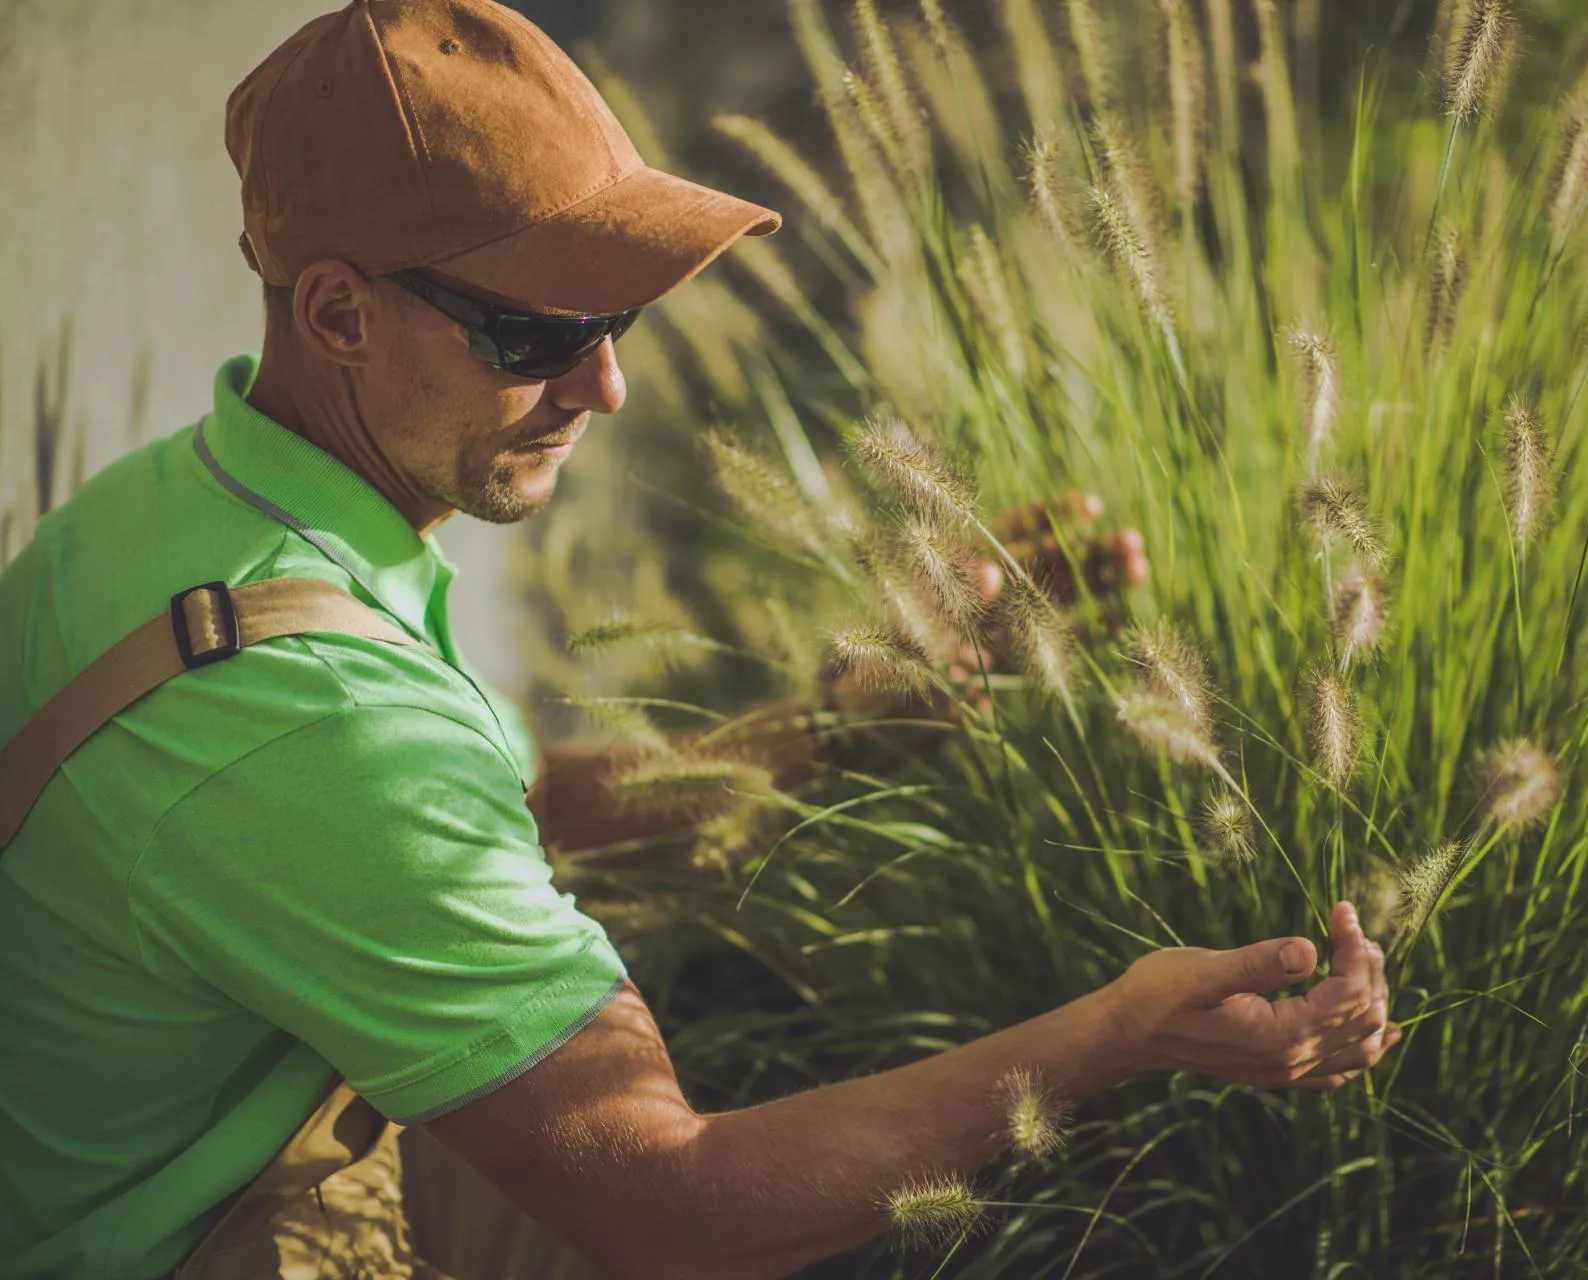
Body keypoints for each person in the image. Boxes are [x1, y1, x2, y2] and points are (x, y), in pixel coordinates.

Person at [0, 1, 1400, 1277]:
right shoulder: (324, 723)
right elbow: (677, 1204)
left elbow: (505, 798)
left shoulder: (186, 514)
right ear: (339, 314)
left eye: (620, 316)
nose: (604, 386)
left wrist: (826, 729)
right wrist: (1120, 1033)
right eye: (538, 328)